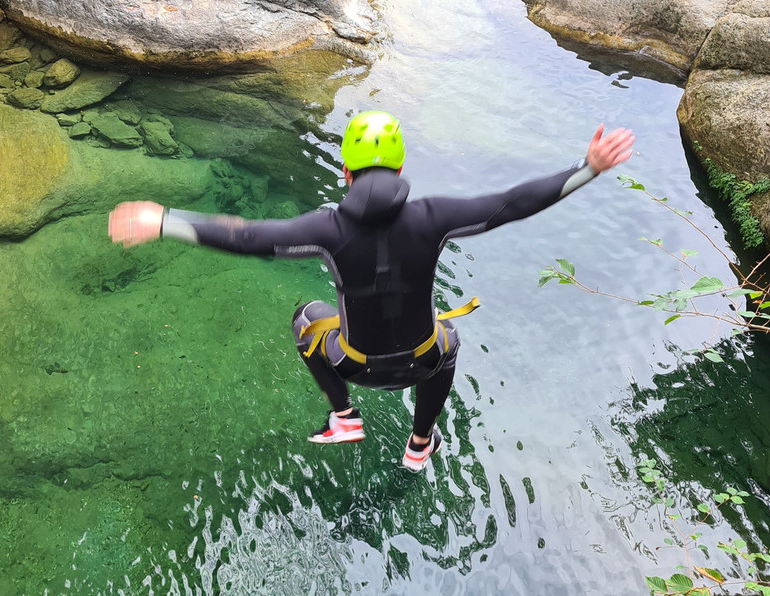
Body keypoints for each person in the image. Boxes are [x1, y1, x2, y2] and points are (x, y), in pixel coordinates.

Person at [109, 111, 634, 471]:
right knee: (448, 339)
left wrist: (165, 220)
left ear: (345, 173)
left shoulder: (325, 228)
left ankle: (343, 417)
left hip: (354, 365)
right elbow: (514, 202)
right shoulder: (435, 217)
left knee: (306, 317)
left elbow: (248, 237)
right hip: (425, 362)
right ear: (402, 168)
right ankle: (420, 442)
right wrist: (590, 168)